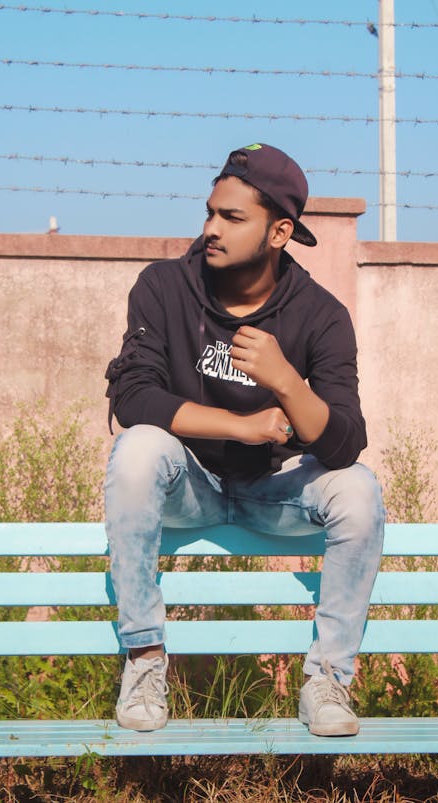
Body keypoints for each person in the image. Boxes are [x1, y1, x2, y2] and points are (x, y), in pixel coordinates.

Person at [104, 143, 385, 738]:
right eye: (210, 212)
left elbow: (343, 441)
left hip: (275, 493)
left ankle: (329, 680)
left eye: (232, 218)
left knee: (358, 490)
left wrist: (285, 380)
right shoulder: (164, 287)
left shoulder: (320, 315)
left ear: (279, 231)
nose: (211, 229)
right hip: (191, 487)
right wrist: (242, 425)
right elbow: (133, 398)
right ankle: (145, 661)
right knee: (137, 451)